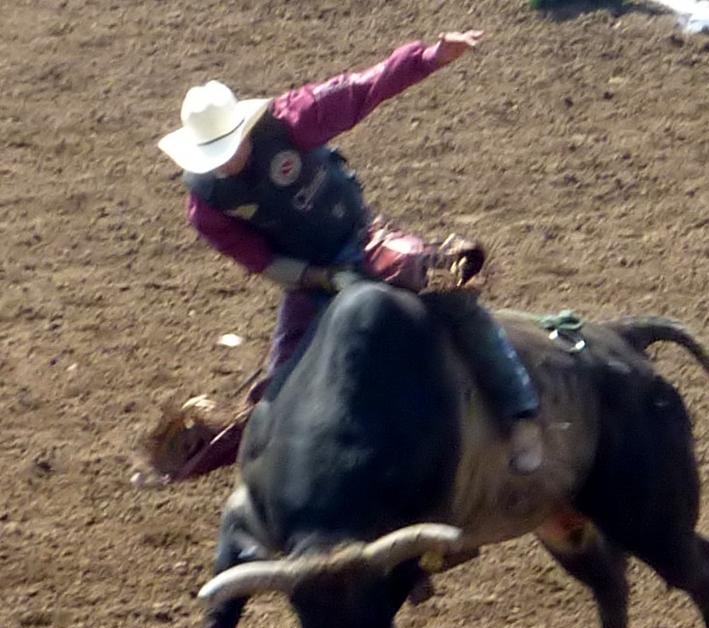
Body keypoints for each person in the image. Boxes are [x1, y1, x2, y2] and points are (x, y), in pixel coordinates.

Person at [155, 30, 542, 481]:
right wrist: (321, 278)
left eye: (227, 149)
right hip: (306, 276)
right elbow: (258, 259)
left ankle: (521, 413)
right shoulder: (206, 205)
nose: (223, 165)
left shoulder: (292, 119)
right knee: (278, 392)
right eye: (211, 157)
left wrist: (431, 56)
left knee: (454, 295)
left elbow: (364, 88)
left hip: (365, 240)